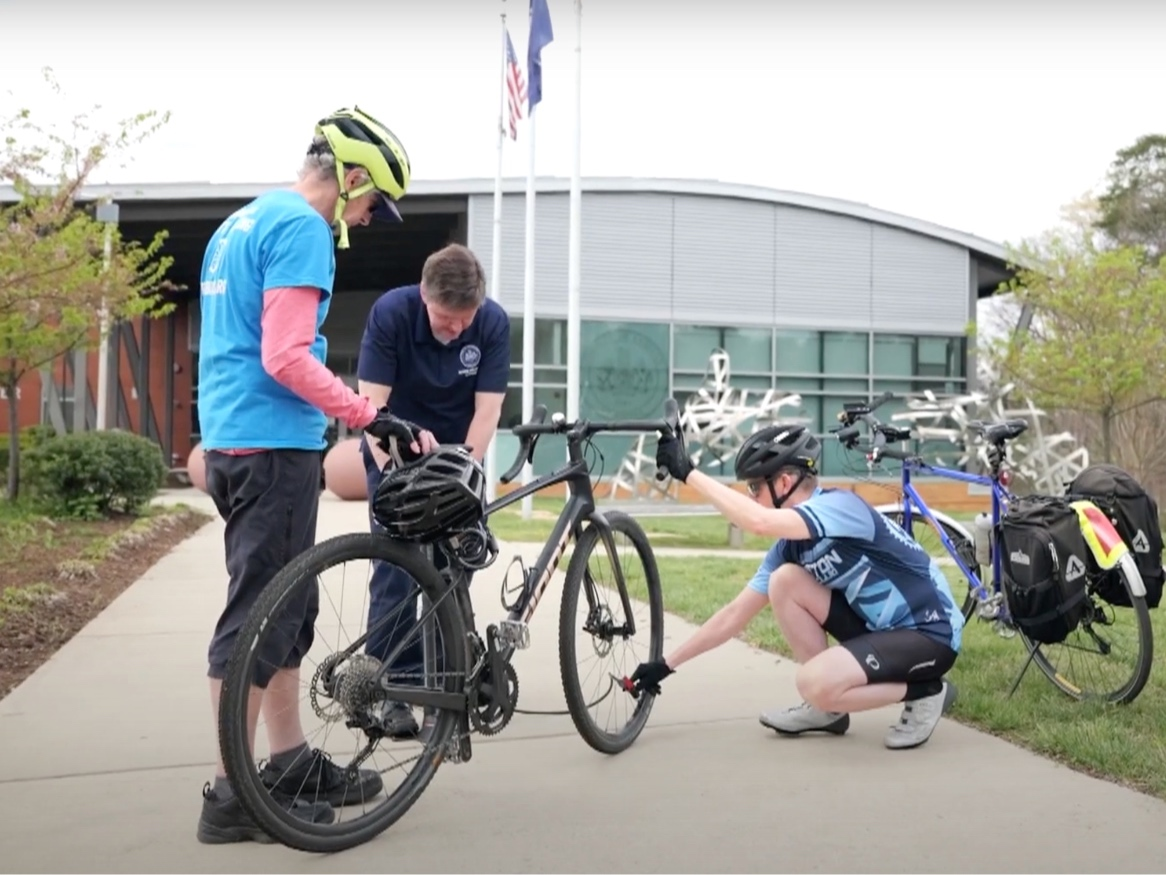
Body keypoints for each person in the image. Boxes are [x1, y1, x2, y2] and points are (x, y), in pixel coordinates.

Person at [194, 106, 437, 845]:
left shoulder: (241, 221)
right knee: (257, 620)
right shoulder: (302, 228)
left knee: (287, 614)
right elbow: (286, 356)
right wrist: (371, 415)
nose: (366, 219)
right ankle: (233, 794)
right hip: (271, 451)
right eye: (370, 203)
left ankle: (289, 760)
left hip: (239, 441)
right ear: (352, 175)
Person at [632, 422, 965, 750]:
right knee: (784, 582)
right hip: (884, 631)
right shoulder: (790, 548)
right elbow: (734, 614)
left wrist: (688, 472)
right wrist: (666, 665)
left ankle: (927, 691)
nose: (751, 498)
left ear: (785, 482)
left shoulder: (840, 508)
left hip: (930, 634)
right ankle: (828, 710)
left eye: (754, 488)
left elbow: (758, 522)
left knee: (811, 682)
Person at [355, 242, 511, 737]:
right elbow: (368, 408)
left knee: (453, 572)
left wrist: (460, 472)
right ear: (424, 295)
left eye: (465, 319)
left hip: (459, 458)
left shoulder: (491, 322)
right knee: (396, 571)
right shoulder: (392, 314)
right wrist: (396, 475)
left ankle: (445, 688)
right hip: (396, 453)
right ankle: (391, 689)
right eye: (447, 319)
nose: (457, 329)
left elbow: (487, 412)